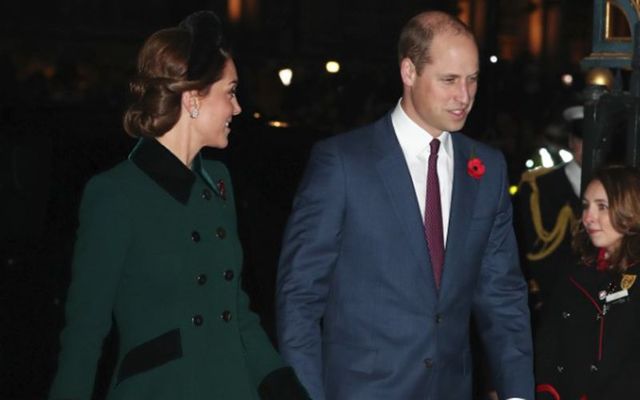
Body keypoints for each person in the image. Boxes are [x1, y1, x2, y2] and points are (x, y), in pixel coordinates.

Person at [48, 11, 308, 400]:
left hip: (233, 387)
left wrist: (281, 383)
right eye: (230, 92)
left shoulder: (219, 182)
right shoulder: (115, 194)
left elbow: (233, 310)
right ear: (192, 99)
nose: (237, 108)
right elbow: (86, 331)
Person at [276, 10, 534, 400]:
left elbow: (503, 296)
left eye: (473, 79)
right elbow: (299, 298)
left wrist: (516, 394)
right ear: (409, 72)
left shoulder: (488, 169)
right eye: (449, 80)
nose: (464, 96)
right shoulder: (343, 164)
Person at [535, 165, 640, 400]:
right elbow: (549, 346)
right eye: (586, 206)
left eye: (602, 206)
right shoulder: (575, 272)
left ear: (631, 208)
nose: (588, 217)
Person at [515, 105, 584, 320]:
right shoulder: (539, 186)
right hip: (551, 300)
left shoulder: (617, 187)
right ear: (573, 142)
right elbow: (530, 244)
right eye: (584, 139)